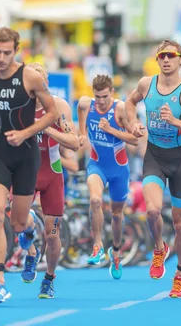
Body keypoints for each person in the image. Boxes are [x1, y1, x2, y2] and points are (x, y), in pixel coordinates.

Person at [0, 27, 58, 305]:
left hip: (26, 155)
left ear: (16, 51)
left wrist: (26, 133)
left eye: (6, 52)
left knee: (17, 222)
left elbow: (53, 112)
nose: (1, 57)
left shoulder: (30, 77)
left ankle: (29, 240)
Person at [125, 39, 181, 299]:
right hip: (154, 155)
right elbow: (129, 103)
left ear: (180, 60)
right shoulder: (146, 84)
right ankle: (159, 248)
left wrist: (175, 121)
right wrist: (133, 124)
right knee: (152, 210)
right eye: (162, 55)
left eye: (171, 56)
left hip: (180, 159)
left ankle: (180, 275)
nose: (165, 60)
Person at [16, 63, 80, 299]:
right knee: (17, 218)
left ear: (46, 83)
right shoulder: (18, 106)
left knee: (52, 235)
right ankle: (31, 253)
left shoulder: (59, 105)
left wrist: (46, 130)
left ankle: (49, 279)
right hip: (26, 172)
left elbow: (73, 143)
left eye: (40, 81)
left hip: (51, 174)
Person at [77, 75, 139, 280]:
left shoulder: (120, 109)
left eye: (104, 96)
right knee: (95, 200)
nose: (101, 101)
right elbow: (80, 109)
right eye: (98, 96)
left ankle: (117, 251)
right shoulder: (87, 104)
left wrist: (110, 129)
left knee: (116, 215)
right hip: (97, 164)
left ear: (111, 92)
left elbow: (134, 140)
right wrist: (81, 133)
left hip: (119, 169)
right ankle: (98, 246)